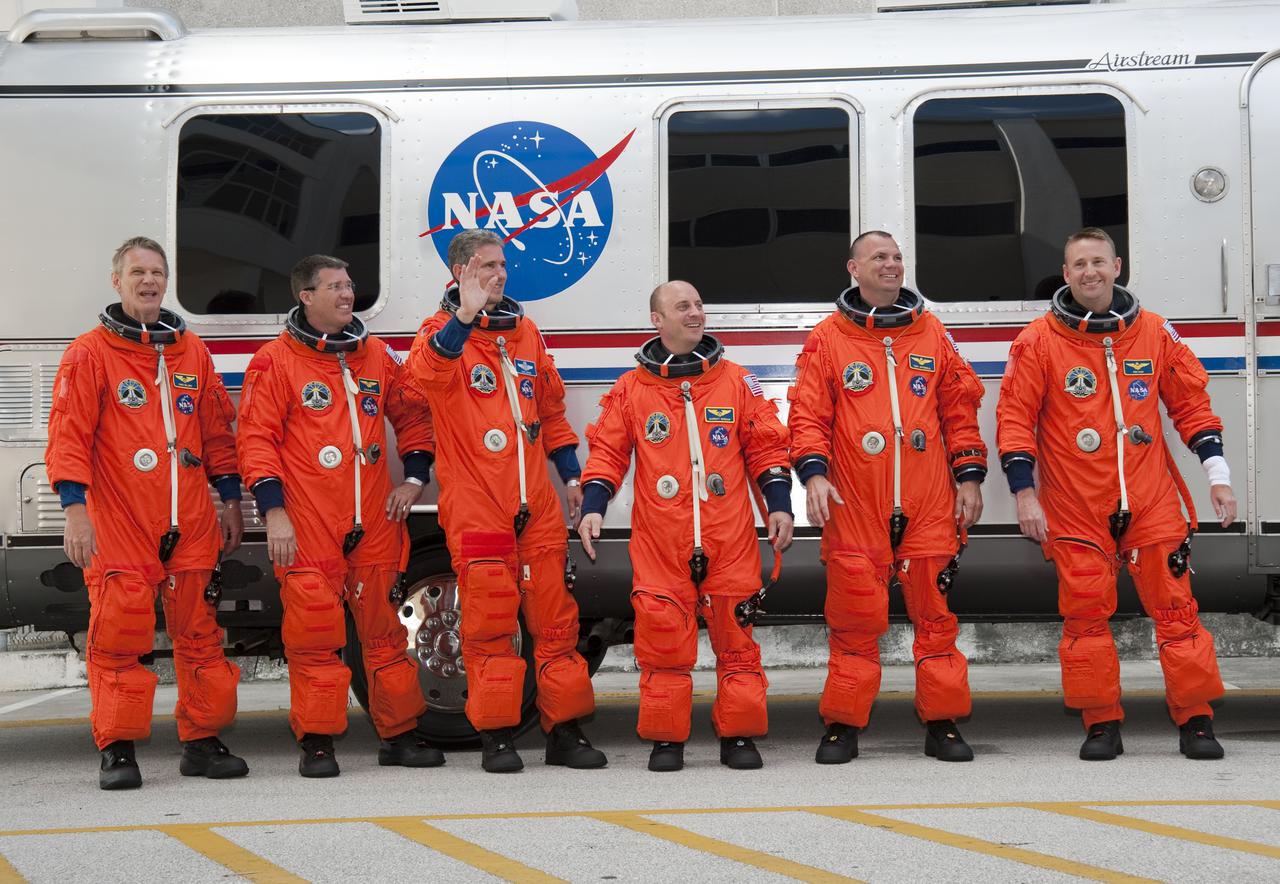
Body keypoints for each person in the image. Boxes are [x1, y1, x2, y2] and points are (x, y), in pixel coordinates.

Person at [996, 227, 1235, 761]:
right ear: (1066, 273)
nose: (1090, 273)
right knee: (1084, 618)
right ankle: (1101, 722)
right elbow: (1014, 420)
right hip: (1075, 506)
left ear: (1117, 266)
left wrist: (1217, 475)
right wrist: (1024, 495)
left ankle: (1196, 720)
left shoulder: (1153, 333)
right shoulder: (1038, 341)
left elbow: (1192, 406)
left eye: (1098, 262)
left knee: (1177, 611)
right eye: (1079, 265)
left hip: (1150, 502)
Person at [47, 236, 248, 789]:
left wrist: (230, 498)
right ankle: (118, 750)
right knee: (118, 637)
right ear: (117, 281)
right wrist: (74, 511)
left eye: (157, 272)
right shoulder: (89, 354)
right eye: (137, 272)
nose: (149, 281)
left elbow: (215, 434)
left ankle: (202, 743)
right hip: (119, 522)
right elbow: (67, 438)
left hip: (189, 522)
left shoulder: (190, 351)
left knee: (201, 638)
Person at [404, 229, 604, 773]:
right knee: (490, 622)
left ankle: (564, 731)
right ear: (461, 273)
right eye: (488, 266)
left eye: (502, 265)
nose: (500, 274)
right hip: (477, 503)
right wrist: (462, 317)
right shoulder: (437, 335)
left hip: (534, 502)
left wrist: (569, 475)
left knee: (556, 622)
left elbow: (554, 411)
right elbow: (425, 377)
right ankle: (496, 736)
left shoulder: (525, 333)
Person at [237, 255, 442, 777]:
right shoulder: (275, 361)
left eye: (350, 285)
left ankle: (398, 735)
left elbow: (413, 415)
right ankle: (319, 743)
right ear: (305, 296)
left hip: (372, 521)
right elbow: (255, 441)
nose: (347, 294)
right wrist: (274, 513)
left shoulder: (374, 356)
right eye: (334, 286)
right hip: (308, 522)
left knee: (385, 637)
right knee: (315, 638)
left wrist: (414, 478)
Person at [578, 280, 794, 772]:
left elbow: (766, 446)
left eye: (699, 305)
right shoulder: (632, 388)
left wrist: (778, 504)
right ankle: (666, 739)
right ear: (658, 319)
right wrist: (595, 503)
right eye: (684, 306)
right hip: (661, 541)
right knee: (662, 643)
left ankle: (738, 736)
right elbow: (608, 452)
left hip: (729, 538)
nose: (696, 313)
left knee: (737, 642)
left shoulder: (738, 380)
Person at [788, 231, 987, 764]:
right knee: (854, 620)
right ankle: (843, 726)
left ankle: (942, 723)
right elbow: (808, 415)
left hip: (926, 502)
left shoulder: (931, 333)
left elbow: (959, 411)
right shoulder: (828, 339)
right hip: (855, 503)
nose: (892, 264)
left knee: (937, 618)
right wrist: (813, 475)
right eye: (880, 257)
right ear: (853, 267)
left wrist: (969, 478)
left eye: (898, 257)